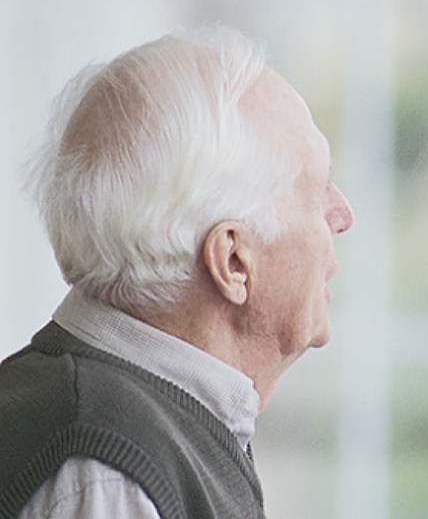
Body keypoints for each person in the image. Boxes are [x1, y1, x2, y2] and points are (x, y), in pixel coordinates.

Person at [0, 26, 354, 519]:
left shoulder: (145, 418)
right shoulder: (106, 473)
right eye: (317, 194)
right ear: (233, 262)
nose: (343, 216)